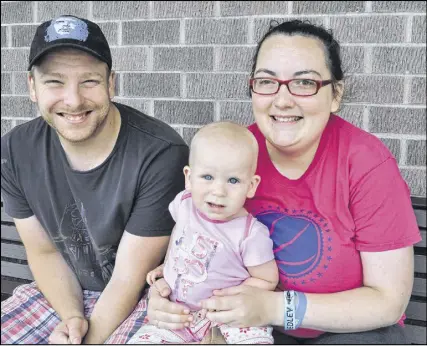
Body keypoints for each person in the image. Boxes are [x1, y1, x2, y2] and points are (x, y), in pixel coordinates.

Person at [144, 20, 422, 345]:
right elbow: (194, 241)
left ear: (336, 95)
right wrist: (169, 295)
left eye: (304, 83)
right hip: (252, 329)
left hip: (351, 333)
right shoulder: (234, 156)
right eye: (267, 82)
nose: (282, 100)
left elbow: (387, 303)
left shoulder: (366, 163)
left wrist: (276, 307)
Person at [1, 15, 188, 344]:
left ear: (110, 83)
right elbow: (44, 253)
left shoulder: (161, 153)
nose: (73, 100)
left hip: (145, 299)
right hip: (59, 292)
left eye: (88, 81)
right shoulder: (14, 151)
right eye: (54, 82)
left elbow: (128, 278)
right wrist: (73, 318)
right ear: (32, 86)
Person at [127, 122, 279, 344]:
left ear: (251, 186)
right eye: (207, 177)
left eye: (233, 180)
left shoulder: (250, 234)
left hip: (227, 318)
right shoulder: (183, 204)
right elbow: (179, 237)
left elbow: (267, 279)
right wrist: (168, 266)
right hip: (178, 314)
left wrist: (232, 297)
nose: (218, 191)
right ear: (188, 178)